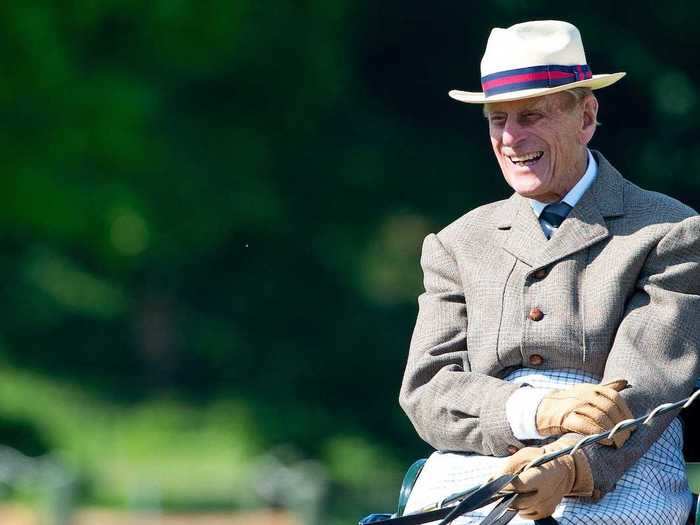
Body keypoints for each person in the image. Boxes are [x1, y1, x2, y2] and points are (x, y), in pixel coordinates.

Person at [399, 20, 700, 524]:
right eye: (498, 120)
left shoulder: (671, 231)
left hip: (623, 458)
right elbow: (428, 389)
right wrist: (535, 411)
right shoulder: (456, 244)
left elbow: (645, 387)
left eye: (531, 116)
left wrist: (570, 467)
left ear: (586, 116)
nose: (512, 138)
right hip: (481, 455)